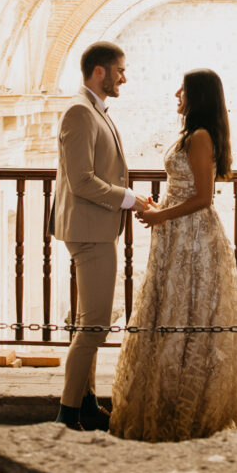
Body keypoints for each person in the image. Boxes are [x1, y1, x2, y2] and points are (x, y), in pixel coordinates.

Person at [109, 69, 237, 441]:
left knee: (192, 310)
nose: (176, 93)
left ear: (198, 95)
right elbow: (181, 189)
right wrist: (155, 205)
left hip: (193, 237)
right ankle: (167, 398)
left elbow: (202, 198)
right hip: (176, 235)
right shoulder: (190, 133)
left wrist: (158, 215)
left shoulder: (200, 136)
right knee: (171, 308)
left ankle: (193, 406)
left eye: (183, 88)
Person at [52, 41, 147, 431]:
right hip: (89, 231)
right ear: (99, 72)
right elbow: (81, 180)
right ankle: (67, 413)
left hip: (93, 227)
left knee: (88, 324)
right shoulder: (79, 111)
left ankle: (87, 403)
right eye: (119, 70)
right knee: (94, 327)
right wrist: (128, 199)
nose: (124, 77)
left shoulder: (91, 109)